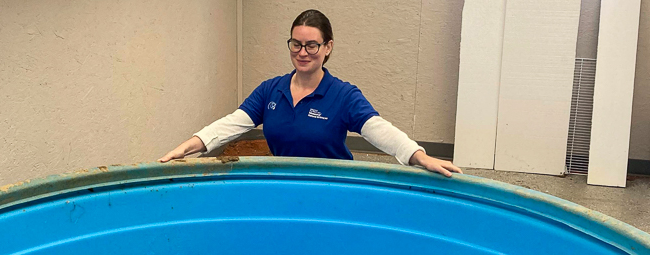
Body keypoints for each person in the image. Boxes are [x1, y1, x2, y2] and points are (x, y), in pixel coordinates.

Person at [159, 9, 462, 177]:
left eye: (312, 45)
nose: (303, 52)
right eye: (296, 44)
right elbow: (229, 125)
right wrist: (188, 146)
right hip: (285, 184)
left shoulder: (343, 95)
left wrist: (419, 156)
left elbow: (379, 130)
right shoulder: (271, 90)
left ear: (328, 47)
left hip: (333, 188)